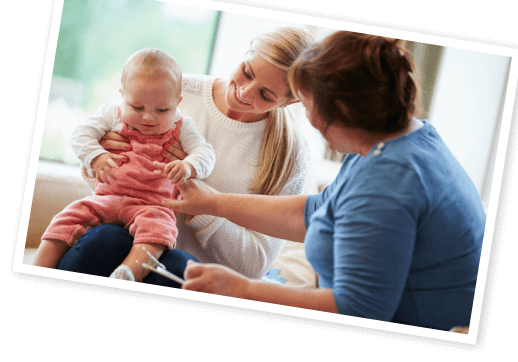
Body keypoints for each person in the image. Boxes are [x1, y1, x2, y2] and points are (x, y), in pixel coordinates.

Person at [163, 31, 487, 331]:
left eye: (305, 104)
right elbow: (316, 211)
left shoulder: (389, 182)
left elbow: (359, 310)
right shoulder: (395, 140)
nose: (306, 117)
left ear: (342, 108)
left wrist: (245, 291)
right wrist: (212, 203)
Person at [55, 27, 314, 286]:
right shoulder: (173, 90)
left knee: (181, 266)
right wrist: (102, 157)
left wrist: (203, 205)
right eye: (247, 72)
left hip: (186, 273)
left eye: (266, 95)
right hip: (122, 237)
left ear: (288, 102)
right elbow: (104, 183)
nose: (244, 93)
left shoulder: (291, 154)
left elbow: (255, 266)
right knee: (106, 240)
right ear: (247, 48)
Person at [32, 48, 216, 282]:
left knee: (158, 232)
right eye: (137, 108)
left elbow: (206, 152)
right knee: (65, 220)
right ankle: (38, 268)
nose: (148, 117)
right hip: (106, 198)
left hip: (151, 205)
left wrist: (190, 166)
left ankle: (128, 273)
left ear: (177, 103)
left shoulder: (183, 126)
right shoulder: (112, 113)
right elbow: (81, 135)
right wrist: (96, 155)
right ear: (122, 95)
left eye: (162, 110)